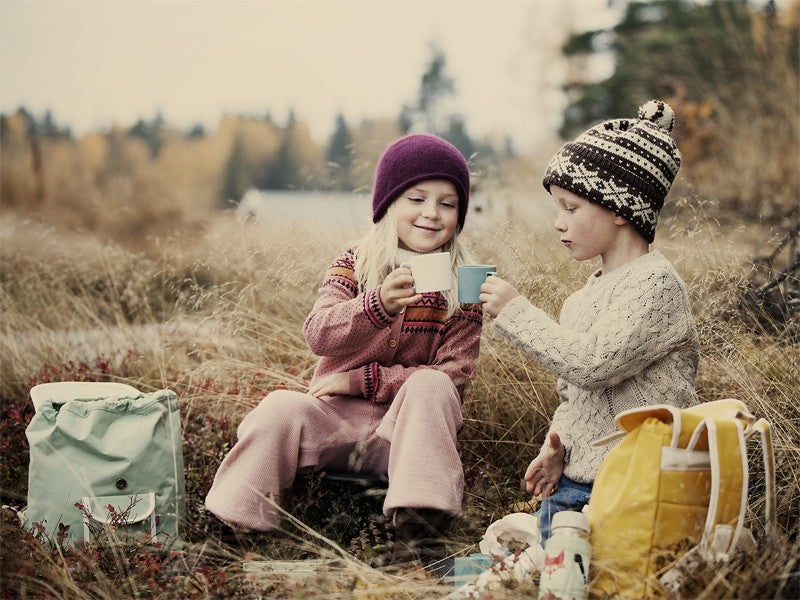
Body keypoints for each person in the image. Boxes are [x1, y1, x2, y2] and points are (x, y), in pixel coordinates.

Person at [205, 133, 483, 567]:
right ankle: (225, 539)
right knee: (279, 407)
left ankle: (418, 544)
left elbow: (453, 377)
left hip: (407, 434)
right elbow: (319, 334)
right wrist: (377, 305)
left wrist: (362, 380)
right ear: (388, 203)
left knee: (431, 385)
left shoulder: (465, 283)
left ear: (459, 215)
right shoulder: (355, 261)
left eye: (447, 204)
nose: (431, 212)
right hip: (333, 423)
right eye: (417, 198)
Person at [479, 100, 699, 540]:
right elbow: (574, 395)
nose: (558, 224)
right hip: (575, 484)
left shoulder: (655, 286)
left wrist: (517, 313)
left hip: (641, 483)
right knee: (545, 565)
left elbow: (595, 365)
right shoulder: (581, 299)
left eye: (571, 208)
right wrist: (558, 447)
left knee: (599, 569)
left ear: (620, 208)